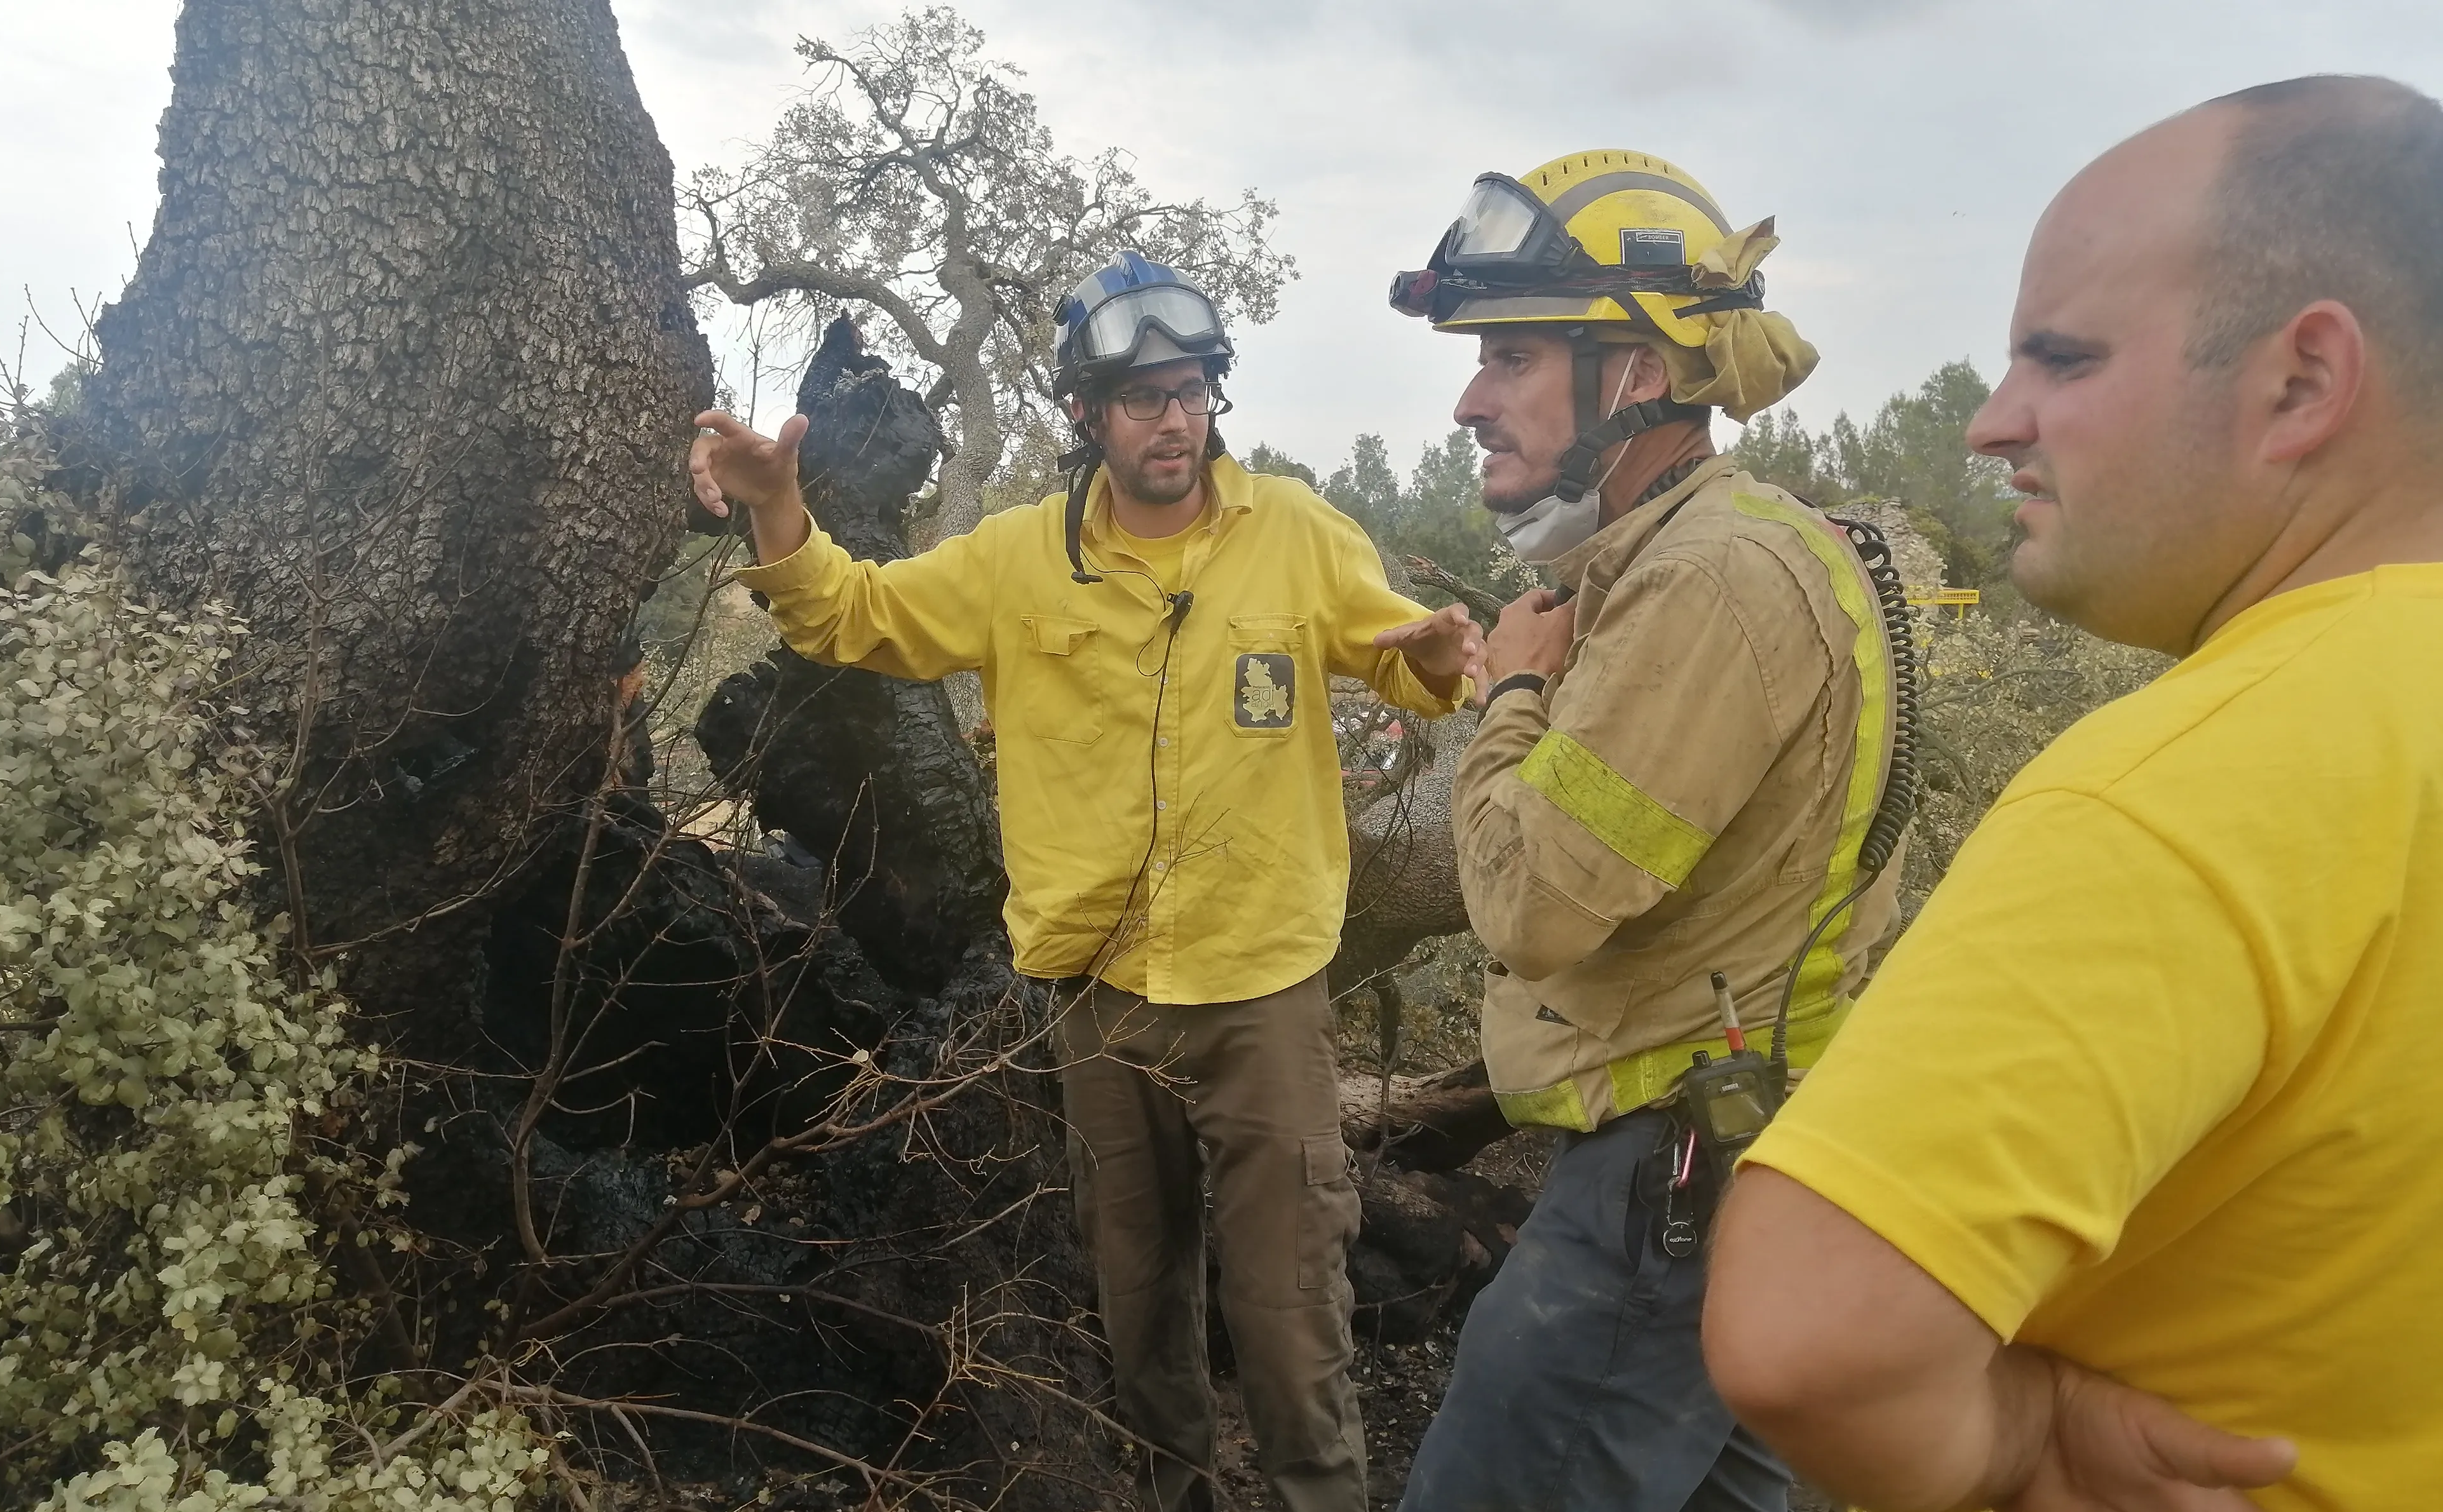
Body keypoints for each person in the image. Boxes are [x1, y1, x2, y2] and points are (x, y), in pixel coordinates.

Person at [1702, 75, 2443, 1512]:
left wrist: (2020, 1440)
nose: (1992, 422)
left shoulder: (2185, 786)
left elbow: (1809, 1338)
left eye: (2063, 357)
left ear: (2301, 382)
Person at [687, 252, 1483, 1512]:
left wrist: (1438, 659)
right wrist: (778, 511)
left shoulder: (1299, 536)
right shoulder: (1015, 560)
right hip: (1097, 996)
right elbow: (855, 616)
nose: (1175, 419)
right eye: (1142, 395)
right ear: (1085, 412)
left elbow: (1402, 663)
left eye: (1192, 391)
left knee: (1288, 1308)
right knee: (1139, 1296)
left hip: (1261, 992)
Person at [1384, 151, 1916, 1511]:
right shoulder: (1699, 556)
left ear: (1632, 373)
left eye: (1509, 356)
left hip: (1663, 1182)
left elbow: (1529, 909)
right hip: (1734, 1156)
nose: (1468, 399)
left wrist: (1509, 689)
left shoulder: (1707, 582)